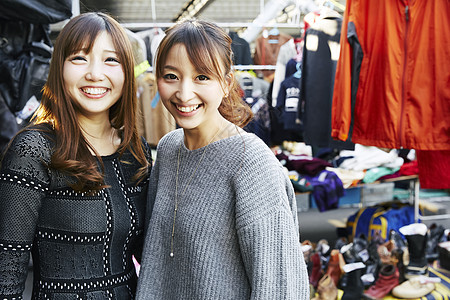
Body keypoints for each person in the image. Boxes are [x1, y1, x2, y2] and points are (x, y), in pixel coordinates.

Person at [136, 19, 309, 299]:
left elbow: (281, 286)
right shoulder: (169, 150)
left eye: (202, 77)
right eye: (171, 76)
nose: (184, 93)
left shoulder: (251, 162)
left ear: (227, 83)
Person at [0, 12, 152, 299]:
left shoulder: (135, 150)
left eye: (111, 60)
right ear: (60, 68)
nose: (95, 73)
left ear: (126, 72)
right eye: (80, 58)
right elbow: (7, 269)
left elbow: (151, 254)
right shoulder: (33, 150)